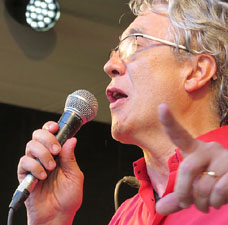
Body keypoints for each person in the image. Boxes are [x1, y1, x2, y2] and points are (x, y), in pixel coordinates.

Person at [17, 0, 228, 224]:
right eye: (116, 50)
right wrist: (52, 221)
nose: (110, 65)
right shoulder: (125, 216)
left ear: (197, 71)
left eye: (133, 44)